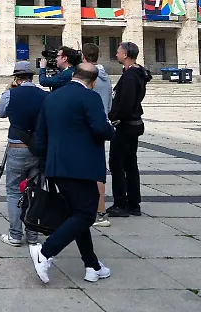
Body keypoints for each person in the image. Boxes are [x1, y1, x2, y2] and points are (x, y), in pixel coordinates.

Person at [30, 63, 116, 284]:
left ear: (74, 75)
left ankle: (92, 265)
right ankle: (45, 251)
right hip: (81, 167)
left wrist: (45, 160)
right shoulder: (90, 97)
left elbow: (40, 137)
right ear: (93, 81)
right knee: (87, 214)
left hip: (56, 165)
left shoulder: (52, 97)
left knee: (77, 214)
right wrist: (111, 129)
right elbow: (100, 128)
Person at [0, 60, 47, 245]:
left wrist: (9, 91)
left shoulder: (10, 94)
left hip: (17, 146)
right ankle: (33, 235)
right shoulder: (44, 95)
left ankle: (15, 234)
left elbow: (0, 113)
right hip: (37, 148)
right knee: (35, 191)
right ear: (32, 77)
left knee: (13, 190)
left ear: (16, 78)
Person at [107, 41, 151, 218]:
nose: (116, 55)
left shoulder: (131, 75)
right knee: (130, 164)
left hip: (126, 125)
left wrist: (114, 116)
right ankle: (133, 203)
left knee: (117, 164)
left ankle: (121, 203)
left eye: (118, 52)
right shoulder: (135, 73)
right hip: (133, 123)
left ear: (125, 55)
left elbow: (126, 101)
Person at [82, 42, 113, 227]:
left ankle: (90, 210)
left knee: (84, 171)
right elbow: (109, 103)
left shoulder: (88, 77)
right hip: (102, 125)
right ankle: (100, 212)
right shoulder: (106, 77)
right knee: (98, 170)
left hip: (87, 126)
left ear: (84, 58)